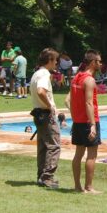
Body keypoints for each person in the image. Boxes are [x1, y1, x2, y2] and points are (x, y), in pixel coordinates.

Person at [70, 50, 103, 194]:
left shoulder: (76, 78)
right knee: (91, 155)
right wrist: (92, 125)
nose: (101, 64)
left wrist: (74, 119)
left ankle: (77, 187)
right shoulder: (89, 80)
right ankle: (89, 187)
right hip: (89, 121)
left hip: (78, 121)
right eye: (99, 61)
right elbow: (89, 103)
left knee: (78, 154)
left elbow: (70, 101)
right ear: (93, 62)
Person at [31, 47, 61, 189]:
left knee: (43, 146)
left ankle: (41, 176)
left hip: (38, 114)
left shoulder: (36, 73)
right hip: (45, 114)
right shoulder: (44, 74)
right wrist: (50, 106)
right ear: (49, 60)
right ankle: (47, 178)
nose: (56, 63)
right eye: (55, 60)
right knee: (54, 146)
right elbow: (41, 91)